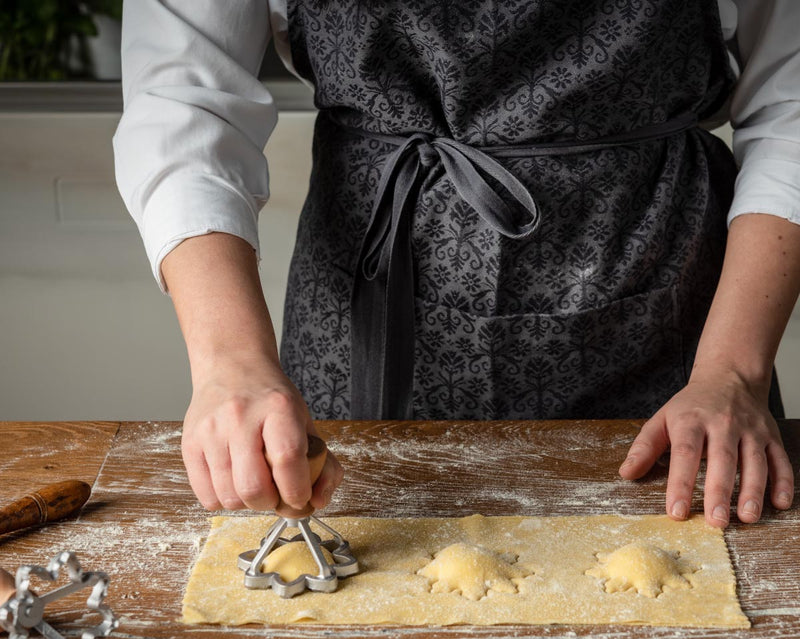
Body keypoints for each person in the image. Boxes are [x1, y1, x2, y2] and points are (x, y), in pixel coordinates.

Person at [114, 1, 800, 528]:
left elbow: (790, 101)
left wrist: (732, 371)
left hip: (673, 337)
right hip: (362, 319)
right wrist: (229, 360)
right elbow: (186, 102)